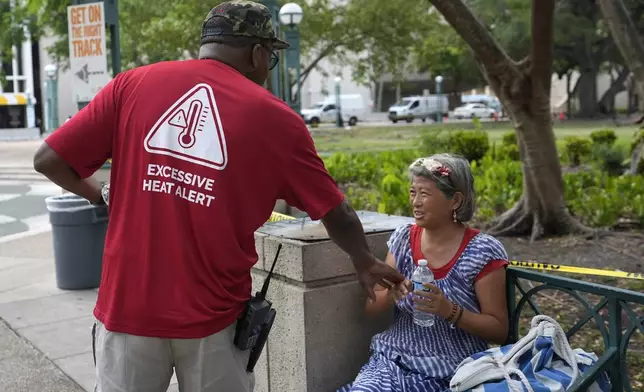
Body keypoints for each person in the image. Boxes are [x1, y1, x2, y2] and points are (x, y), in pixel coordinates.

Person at [32, 2, 406, 391]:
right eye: (271, 57)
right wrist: (363, 260)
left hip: (128, 308)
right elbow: (337, 211)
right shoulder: (276, 119)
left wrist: (102, 194)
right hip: (214, 319)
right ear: (258, 53)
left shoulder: (133, 84)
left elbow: (49, 160)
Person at [338, 153, 510, 392]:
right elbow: (371, 307)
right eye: (412, 192)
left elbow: (499, 330)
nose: (415, 202)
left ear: (455, 201)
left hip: (453, 372)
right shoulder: (403, 239)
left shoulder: (482, 251)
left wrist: (448, 310)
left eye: (425, 194)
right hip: (392, 362)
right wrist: (391, 294)